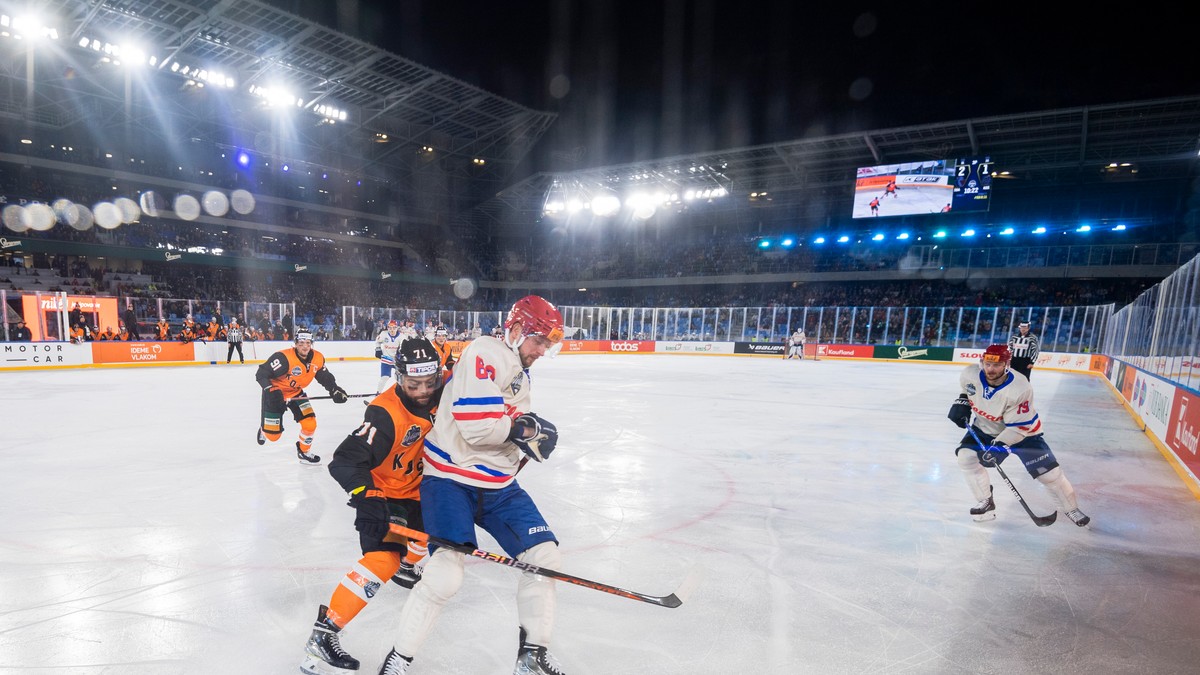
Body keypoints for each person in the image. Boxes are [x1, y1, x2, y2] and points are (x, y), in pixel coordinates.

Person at [376, 295, 567, 675]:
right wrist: (520, 430)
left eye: (547, 344)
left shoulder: (518, 368)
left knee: (544, 557)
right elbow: (478, 429)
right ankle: (399, 659)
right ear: (515, 330)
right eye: (539, 341)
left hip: (497, 486)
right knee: (447, 571)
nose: (543, 350)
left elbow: (506, 426)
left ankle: (531, 659)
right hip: (449, 480)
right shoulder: (486, 351)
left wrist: (529, 436)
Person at [300, 338, 444, 675]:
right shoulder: (385, 414)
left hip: (423, 489)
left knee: (429, 534)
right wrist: (368, 496)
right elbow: (345, 461)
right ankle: (325, 633)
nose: (423, 391)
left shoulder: (445, 390)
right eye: (413, 384)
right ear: (398, 377)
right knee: (383, 558)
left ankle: (410, 565)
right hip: (389, 494)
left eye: (430, 382)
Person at [946, 344, 1090, 526]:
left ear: (1007, 364)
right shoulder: (970, 374)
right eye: (987, 364)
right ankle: (986, 501)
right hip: (986, 428)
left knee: (1049, 475)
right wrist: (962, 402)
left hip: (1024, 433)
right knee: (965, 457)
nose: (991, 369)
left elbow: (1019, 428)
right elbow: (967, 390)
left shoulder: (1020, 387)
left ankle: (1071, 509)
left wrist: (999, 447)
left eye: (997, 365)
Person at [255, 329, 350, 464]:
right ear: (295, 343)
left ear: (311, 343)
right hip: (275, 394)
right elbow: (261, 374)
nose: (304, 346)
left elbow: (324, 377)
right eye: (301, 343)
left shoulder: (317, 358)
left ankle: (303, 451)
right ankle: (265, 429)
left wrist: (334, 389)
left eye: (307, 343)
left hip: (296, 393)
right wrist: (271, 390)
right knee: (273, 437)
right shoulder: (283, 358)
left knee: (310, 423)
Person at [375, 319, 404, 394]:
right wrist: (378, 349)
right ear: (387, 328)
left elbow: (405, 348)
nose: (392, 330)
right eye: (390, 328)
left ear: (397, 328)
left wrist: (402, 355)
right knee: (384, 378)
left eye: (394, 328)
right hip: (386, 360)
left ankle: (402, 393)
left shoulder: (402, 337)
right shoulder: (383, 334)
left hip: (397, 360)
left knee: (400, 378)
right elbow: (377, 341)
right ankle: (378, 393)